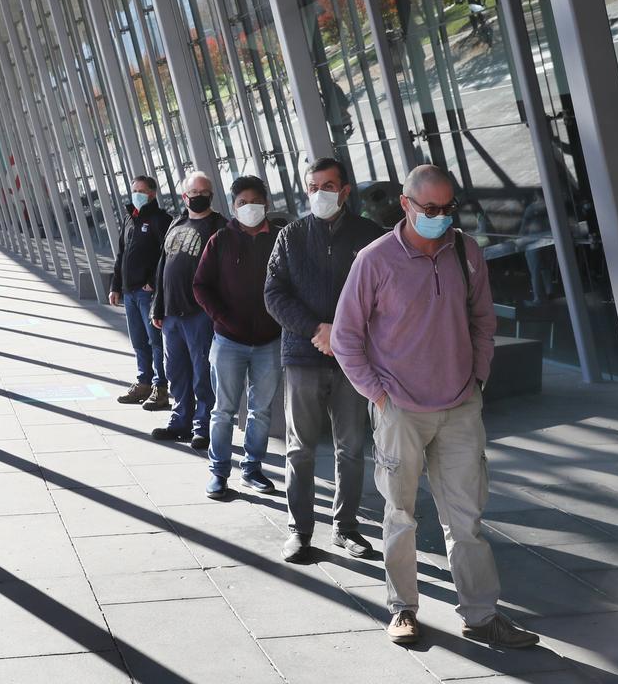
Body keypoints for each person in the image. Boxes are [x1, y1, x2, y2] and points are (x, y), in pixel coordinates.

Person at [332, 164, 539, 649]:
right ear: (405, 204)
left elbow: (483, 320)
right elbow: (345, 338)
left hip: (460, 404)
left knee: (467, 518)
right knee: (400, 514)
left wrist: (479, 378)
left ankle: (482, 615)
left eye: (449, 209)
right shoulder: (374, 260)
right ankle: (403, 610)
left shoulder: (465, 250)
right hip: (400, 409)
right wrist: (379, 396)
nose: (442, 218)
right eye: (431, 209)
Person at [264, 158, 384, 564]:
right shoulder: (291, 236)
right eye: (313, 186)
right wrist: (317, 330)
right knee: (299, 448)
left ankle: (346, 527)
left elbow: (383, 293)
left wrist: (343, 334)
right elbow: (274, 294)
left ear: (346, 190)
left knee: (351, 447)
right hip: (302, 354)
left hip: (353, 360)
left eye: (328, 186)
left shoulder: (370, 237)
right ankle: (299, 531)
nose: (319, 194)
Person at [193, 176, 282, 499]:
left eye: (254, 202)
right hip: (228, 341)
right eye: (242, 203)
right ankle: (219, 473)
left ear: (266, 204)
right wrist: (223, 318)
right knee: (223, 411)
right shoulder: (220, 241)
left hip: (269, 342)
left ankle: (252, 468)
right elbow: (201, 286)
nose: (249, 208)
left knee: (261, 410)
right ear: (233, 206)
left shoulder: (280, 240)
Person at [150, 171, 228, 449]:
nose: (198, 198)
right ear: (184, 197)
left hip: (200, 314)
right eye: (192, 194)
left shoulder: (219, 226)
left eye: (203, 193)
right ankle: (179, 420)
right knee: (175, 371)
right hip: (171, 313)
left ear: (211, 194)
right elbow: (162, 266)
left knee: (202, 372)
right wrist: (158, 306)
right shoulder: (176, 222)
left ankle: (202, 425)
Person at [109, 175, 172, 411]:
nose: (136, 194)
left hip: (147, 293)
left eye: (141, 191)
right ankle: (143, 382)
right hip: (129, 292)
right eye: (134, 190)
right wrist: (116, 286)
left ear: (152, 194)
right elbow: (121, 255)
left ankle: (161, 387)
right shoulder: (129, 219)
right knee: (138, 341)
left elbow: (165, 255)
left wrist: (151, 282)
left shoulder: (161, 220)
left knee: (155, 341)